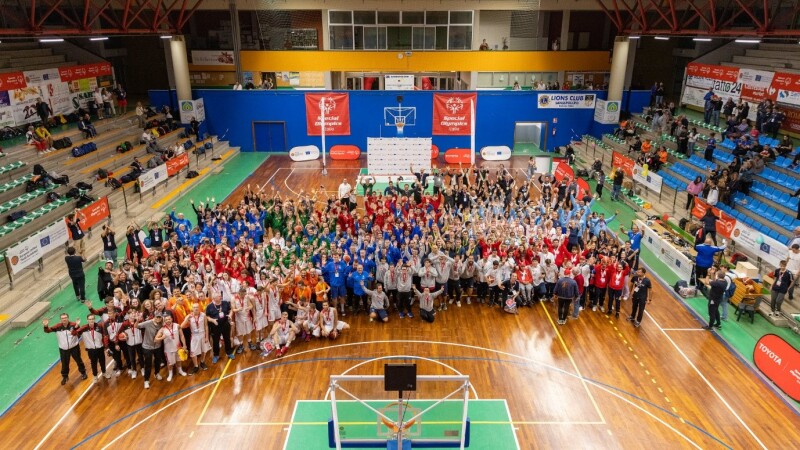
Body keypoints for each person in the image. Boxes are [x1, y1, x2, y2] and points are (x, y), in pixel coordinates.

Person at [42, 313, 88, 385]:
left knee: (79, 360)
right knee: (64, 364)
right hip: (63, 349)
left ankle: (83, 372)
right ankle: (65, 377)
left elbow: (78, 333)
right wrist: (45, 326)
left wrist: (76, 327)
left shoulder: (73, 325)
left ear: (68, 318)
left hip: (74, 347)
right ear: (60, 319)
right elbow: (48, 330)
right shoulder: (57, 327)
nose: (64, 319)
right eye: (62, 318)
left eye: (65, 317)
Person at [72, 314, 112, 383]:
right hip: (91, 350)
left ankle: (104, 373)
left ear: (94, 319)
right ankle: (95, 376)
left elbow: (104, 336)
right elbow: (73, 333)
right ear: (87, 320)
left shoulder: (99, 326)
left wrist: (106, 347)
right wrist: (76, 327)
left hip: (100, 348)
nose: (91, 320)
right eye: (90, 319)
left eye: (92, 319)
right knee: (93, 363)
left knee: (102, 361)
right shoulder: (83, 328)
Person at [136, 312, 165, 389]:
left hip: (157, 346)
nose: (158, 319)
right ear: (154, 317)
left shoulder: (162, 324)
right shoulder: (148, 323)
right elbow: (137, 326)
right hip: (147, 347)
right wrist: (136, 320)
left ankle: (157, 373)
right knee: (148, 364)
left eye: (159, 317)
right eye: (157, 317)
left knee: (158, 361)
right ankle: (146, 380)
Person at [155, 314, 187, 381]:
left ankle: (180, 370)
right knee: (170, 363)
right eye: (166, 320)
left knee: (178, 360)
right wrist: (162, 338)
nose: (168, 321)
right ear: (164, 321)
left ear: (171, 319)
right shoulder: (162, 329)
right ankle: (170, 374)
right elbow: (155, 339)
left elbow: (182, 336)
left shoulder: (177, 326)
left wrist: (184, 345)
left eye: (169, 319)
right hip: (169, 350)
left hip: (178, 348)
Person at [205, 293, 234, 363]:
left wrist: (230, 315)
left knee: (227, 339)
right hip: (215, 326)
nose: (220, 297)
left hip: (225, 324)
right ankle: (216, 355)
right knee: (215, 341)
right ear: (214, 298)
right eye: (218, 296)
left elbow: (231, 310)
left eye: (220, 296)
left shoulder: (225, 303)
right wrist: (212, 320)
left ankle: (229, 352)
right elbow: (207, 317)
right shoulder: (209, 306)